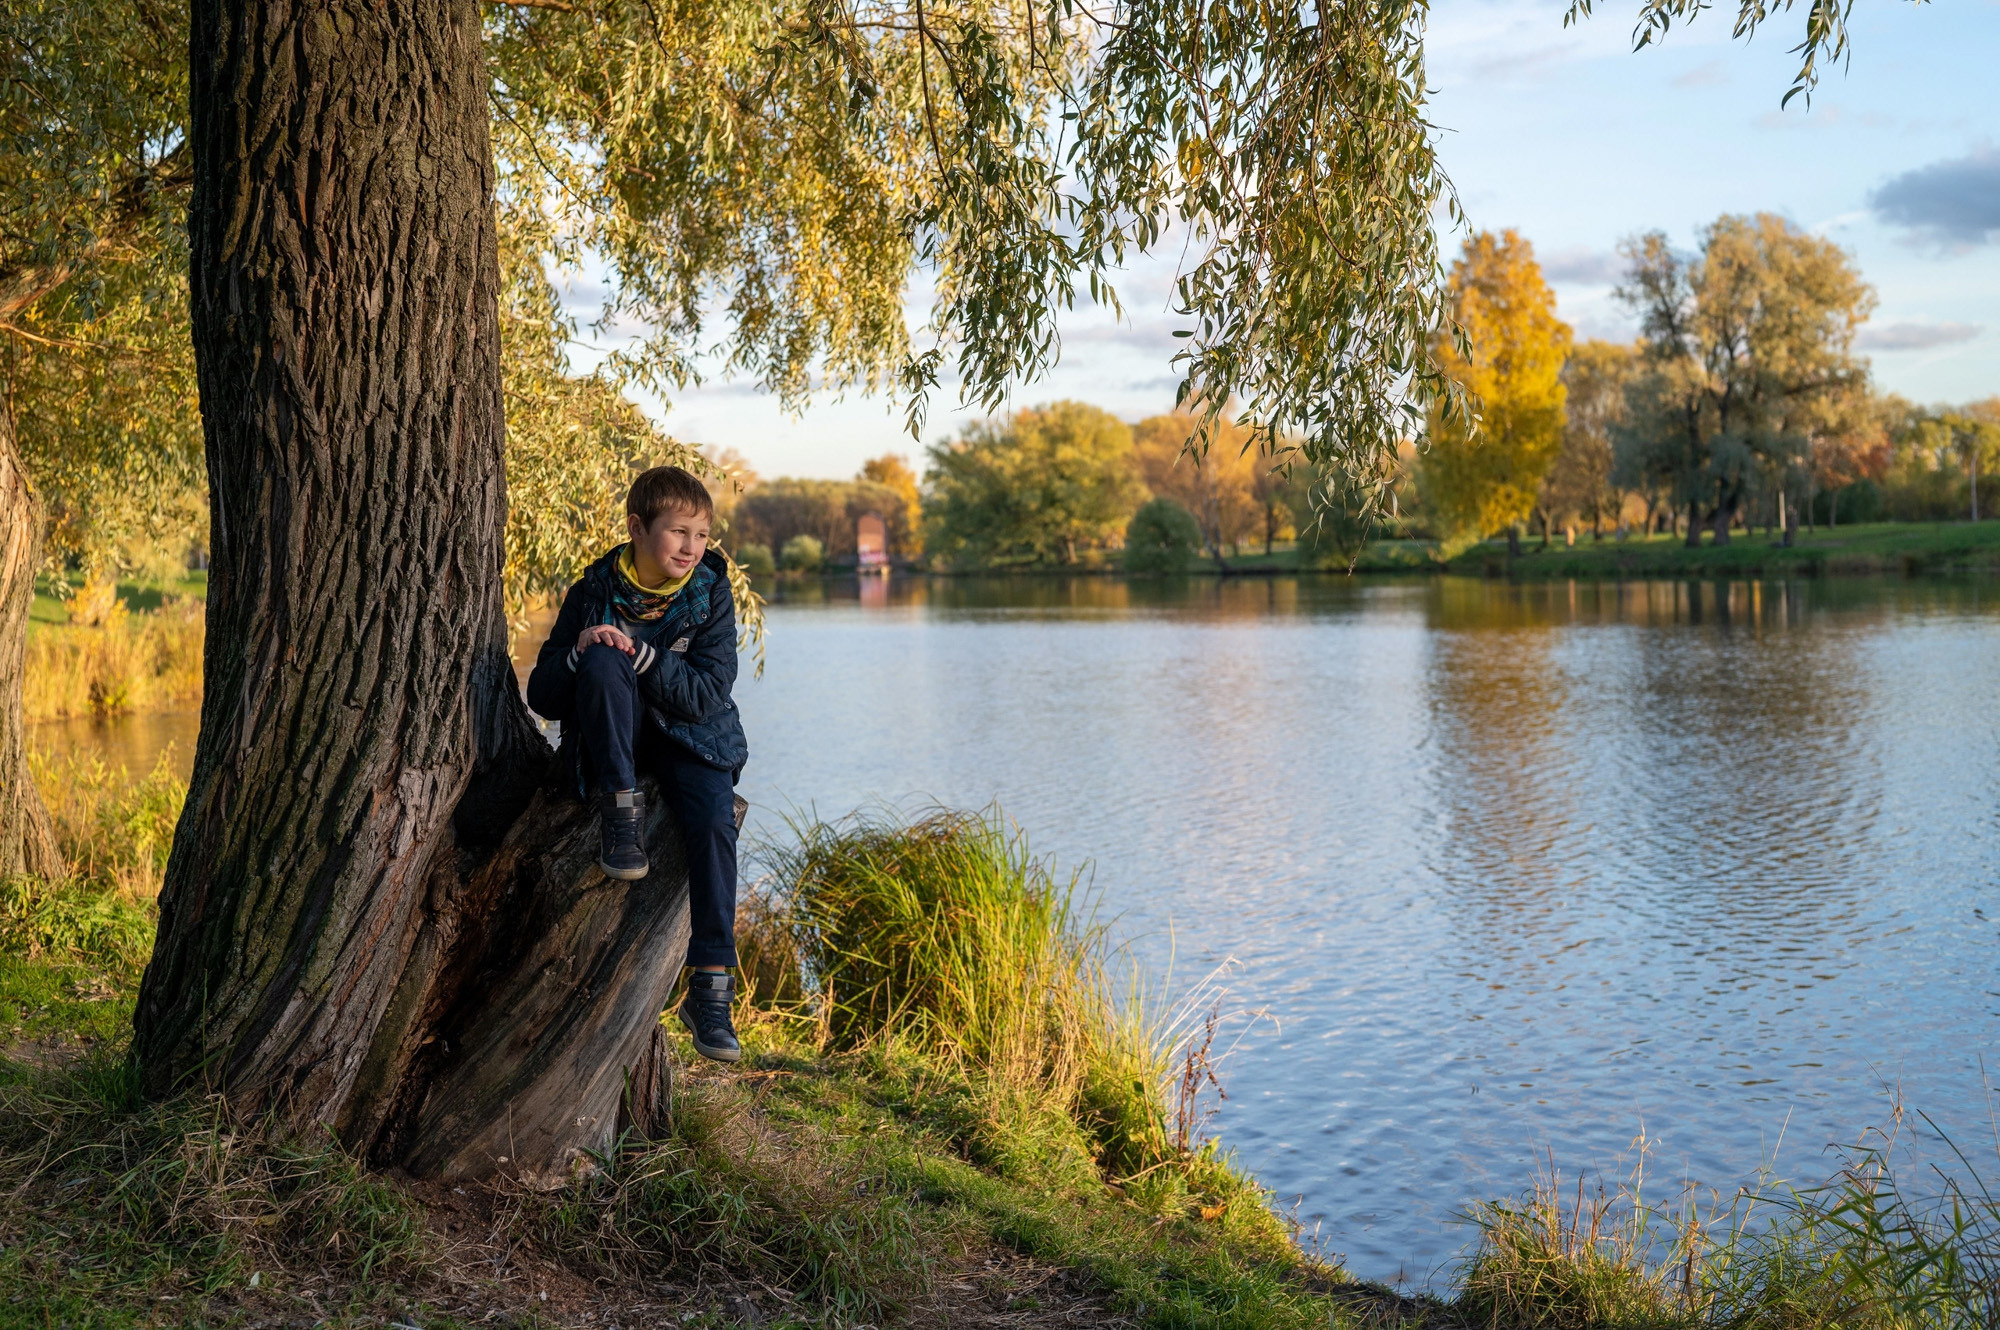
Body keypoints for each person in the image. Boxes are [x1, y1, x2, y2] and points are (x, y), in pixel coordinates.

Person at [526, 465, 749, 1062]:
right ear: (637, 527)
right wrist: (580, 653)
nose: (691, 548)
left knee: (713, 825)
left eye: (701, 535)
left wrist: (647, 658)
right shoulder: (592, 591)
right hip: (614, 744)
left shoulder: (710, 595)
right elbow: (542, 695)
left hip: (692, 738)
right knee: (599, 658)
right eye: (678, 532)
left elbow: (708, 694)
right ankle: (621, 819)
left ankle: (710, 988)